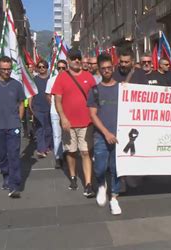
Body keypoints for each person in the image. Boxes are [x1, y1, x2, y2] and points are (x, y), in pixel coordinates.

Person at [52, 48, 96, 197]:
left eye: (78, 58)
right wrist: (63, 118)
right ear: (69, 60)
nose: (76, 61)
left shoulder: (89, 77)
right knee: (71, 152)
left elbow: (95, 97)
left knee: (85, 152)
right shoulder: (62, 77)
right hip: (68, 123)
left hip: (86, 122)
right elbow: (57, 100)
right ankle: (72, 177)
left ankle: (88, 184)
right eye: (73, 58)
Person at [0, 56, 25, 198]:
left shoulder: (17, 85)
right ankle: (6, 175)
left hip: (13, 124)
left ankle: (14, 185)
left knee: (13, 154)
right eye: (4, 69)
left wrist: (18, 121)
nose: (7, 72)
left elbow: (21, 104)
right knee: (1, 155)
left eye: (9, 69)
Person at [87, 53, 122, 215]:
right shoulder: (94, 91)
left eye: (109, 68)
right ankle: (101, 185)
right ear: (99, 70)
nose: (107, 71)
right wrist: (106, 133)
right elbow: (93, 115)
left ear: (113, 67)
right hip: (101, 136)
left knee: (116, 169)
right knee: (100, 168)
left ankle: (114, 198)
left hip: (120, 136)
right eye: (104, 69)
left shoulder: (122, 88)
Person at [46, 60, 67, 169]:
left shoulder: (70, 80)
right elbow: (48, 95)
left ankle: (67, 154)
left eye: (64, 67)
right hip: (55, 112)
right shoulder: (51, 80)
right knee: (57, 135)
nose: (61, 70)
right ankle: (58, 157)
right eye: (59, 68)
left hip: (68, 113)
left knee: (67, 135)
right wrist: (54, 107)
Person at [30, 60, 52, 158]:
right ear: (37, 68)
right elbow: (31, 94)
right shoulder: (34, 80)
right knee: (39, 129)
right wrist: (31, 107)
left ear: (47, 68)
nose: (42, 68)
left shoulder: (51, 80)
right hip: (37, 108)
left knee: (48, 130)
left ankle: (46, 146)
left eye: (44, 67)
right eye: (39, 67)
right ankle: (41, 149)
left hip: (49, 108)